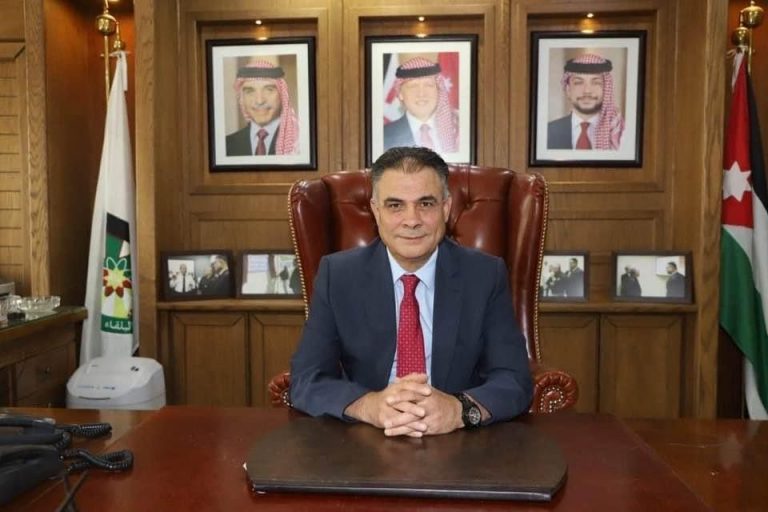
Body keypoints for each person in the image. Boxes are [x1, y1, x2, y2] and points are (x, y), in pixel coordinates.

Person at [290, 146, 532, 438]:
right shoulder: (338, 276)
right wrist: (369, 406)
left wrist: (458, 410)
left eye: (426, 204)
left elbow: (514, 379)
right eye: (395, 205)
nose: (412, 220)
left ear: (446, 208)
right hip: (365, 438)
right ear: (376, 211)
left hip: (458, 440)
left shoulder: (484, 275)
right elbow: (307, 378)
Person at [547, 53, 625, 151]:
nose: (587, 91)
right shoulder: (547, 132)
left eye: (596, 83)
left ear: (606, 89)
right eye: (578, 82)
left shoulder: (620, 133)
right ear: (568, 90)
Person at [383, 57, 459, 154]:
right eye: (413, 86)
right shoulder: (384, 137)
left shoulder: (457, 132)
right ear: (400, 94)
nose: (421, 94)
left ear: (438, 90)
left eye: (428, 85)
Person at [226, 60, 300, 156]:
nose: (259, 101)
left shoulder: (299, 142)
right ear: (242, 98)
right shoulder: (227, 145)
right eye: (250, 91)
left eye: (269, 90)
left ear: (282, 95)